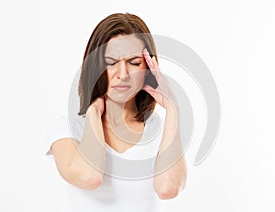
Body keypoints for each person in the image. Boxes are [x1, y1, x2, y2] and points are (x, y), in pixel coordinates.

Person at [46, 13, 187, 212]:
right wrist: (94, 113)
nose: (123, 74)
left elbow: (168, 189)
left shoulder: (157, 130)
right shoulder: (67, 129)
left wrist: (173, 108)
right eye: (111, 62)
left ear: (149, 67)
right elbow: (90, 176)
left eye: (134, 63)